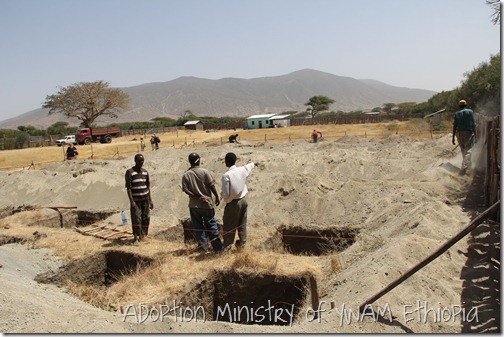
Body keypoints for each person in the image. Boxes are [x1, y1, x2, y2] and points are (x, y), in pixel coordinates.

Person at [181, 153, 223, 253]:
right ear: (198, 161)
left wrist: (197, 197)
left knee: (198, 228)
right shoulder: (204, 172)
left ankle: (203, 248)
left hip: (194, 206)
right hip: (207, 204)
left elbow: (186, 190)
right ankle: (217, 248)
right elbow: (211, 185)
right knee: (211, 225)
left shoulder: (186, 175)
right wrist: (216, 197)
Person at [220, 152, 254, 249]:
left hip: (234, 203)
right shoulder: (242, 169)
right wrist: (252, 163)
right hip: (243, 200)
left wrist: (221, 196)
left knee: (229, 225)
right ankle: (242, 244)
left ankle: (227, 246)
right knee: (242, 224)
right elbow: (250, 166)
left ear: (226, 161)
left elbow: (226, 193)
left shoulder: (226, 175)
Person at [125, 154, 154, 245]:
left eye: (143, 161)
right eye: (140, 161)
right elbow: (129, 188)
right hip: (136, 200)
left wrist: (150, 200)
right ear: (135, 161)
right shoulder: (130, 172)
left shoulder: (145, 172)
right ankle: (136, 237)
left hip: (145, 199)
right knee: (137, 218)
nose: (141, 163)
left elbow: (148, 186)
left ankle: (143, 235)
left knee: (146, 218)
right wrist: (132, 201)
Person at [452, 99, 476, 174]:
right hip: (468, 132)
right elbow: (473, 124)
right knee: (469, 149)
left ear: (459, 106)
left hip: (459, 133)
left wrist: (453, 137)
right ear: (466, 105)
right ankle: (464, 166)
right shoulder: (470, 112)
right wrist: (476, 134)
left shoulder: (457, 113)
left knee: (463, 150)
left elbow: (454, 126)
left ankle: (467, 167)